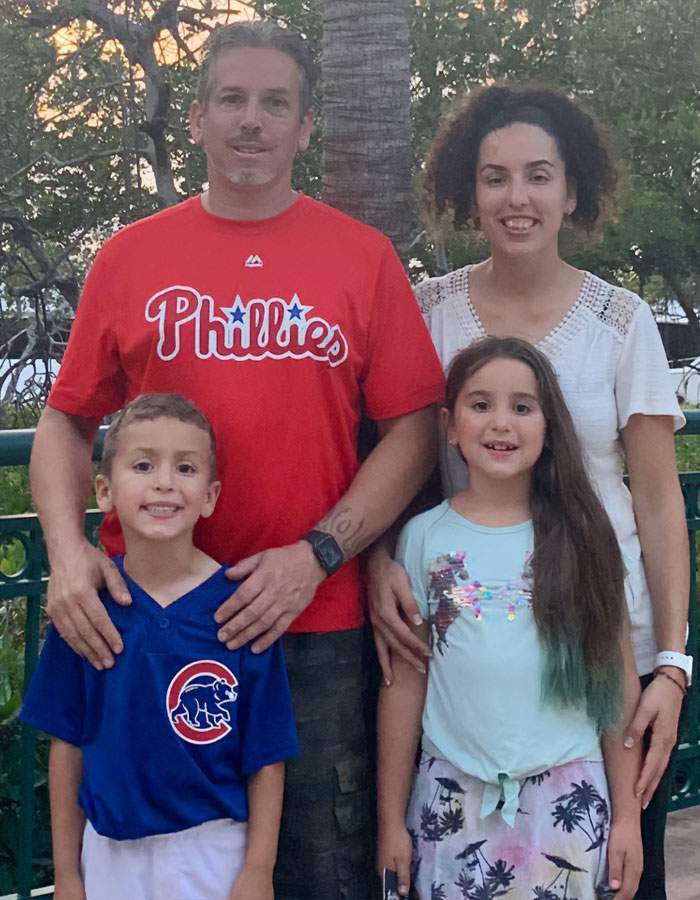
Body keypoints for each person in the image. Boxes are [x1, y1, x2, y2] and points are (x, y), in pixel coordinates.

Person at [29, 20, 444, 899]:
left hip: (313, 626)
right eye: (232, 99)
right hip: (143, 625)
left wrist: (321, 553)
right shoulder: (129, 256)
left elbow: (412, 426)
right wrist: (68, 555)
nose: (251, 121)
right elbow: (67, 424)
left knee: (316, 871)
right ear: (197, 119)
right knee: (148, 868)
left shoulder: (361, 258)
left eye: (275, 103)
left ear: (304, 127)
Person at [369, 83, 690, 900]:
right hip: (466, 664)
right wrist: (377, 561)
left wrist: (673, 668)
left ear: (571, 189)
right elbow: (395, 460)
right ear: (467, 191)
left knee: (618, 871)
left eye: (539, 175)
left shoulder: (621, 323)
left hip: (608, 656)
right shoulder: (428, 314)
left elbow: (657, 502)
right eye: (495, 176)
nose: (517, 197)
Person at [377, 337, 644, 899]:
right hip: (450, 797)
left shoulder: (583, 537)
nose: (501, 423)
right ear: (449, 425)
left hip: (569, 802)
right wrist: (389, 821)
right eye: (481, 404)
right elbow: (406, 682)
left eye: (522, 407)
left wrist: (627, 820)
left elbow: (615, 684)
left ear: (549, 426)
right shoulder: (424, 538)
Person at [21, 393, 299, 900]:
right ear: (103, 490)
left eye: (185, 467)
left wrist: (258, 869)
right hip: (109, 854)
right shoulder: (86, 607)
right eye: (144, 464)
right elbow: (66, 747)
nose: (165, 482)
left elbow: (267, 757)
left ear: (211, 495)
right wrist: (67, 875)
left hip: (215, 851)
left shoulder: (241, 611)